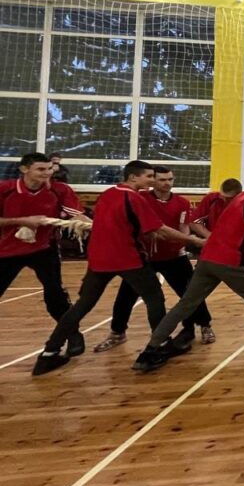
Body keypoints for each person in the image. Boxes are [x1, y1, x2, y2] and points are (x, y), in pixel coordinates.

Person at [131, 167, 244, 372]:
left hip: (207, 258)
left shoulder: (240, 199)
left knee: (186, 304)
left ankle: (150, 350)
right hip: (231, 260)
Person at [32, 161, 205, 376]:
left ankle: (49, 352)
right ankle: (157, 348)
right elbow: (159, 229)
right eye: (149, 176)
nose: (152, 181)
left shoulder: (108, 194)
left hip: (98, 259)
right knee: (154, 298)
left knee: (83, 305)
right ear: (133, 177)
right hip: (127, 258)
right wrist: (194, 241)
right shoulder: (134, 198)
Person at [94, 166, 216, 353]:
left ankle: (204, 325)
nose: (167, 183)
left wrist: (184, 241)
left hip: (173, 256)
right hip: (144, 258)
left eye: (170, 179)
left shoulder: (181, 202)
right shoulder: (140, 198)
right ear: (152, 181)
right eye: (162, 180)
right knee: (126, 295)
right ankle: (117, 333)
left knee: (190, 293)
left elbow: (184, 228)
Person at [0, 153, 83, 345]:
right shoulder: (5, 190)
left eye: (49, 169)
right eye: (41, 169)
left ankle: (72, 334)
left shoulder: (59, 189)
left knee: (55, 295)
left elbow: (76, 215)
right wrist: (22, 221)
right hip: (7, 250)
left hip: (44, 248)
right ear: (24, 169)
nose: (47, 173)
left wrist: (89, 224)